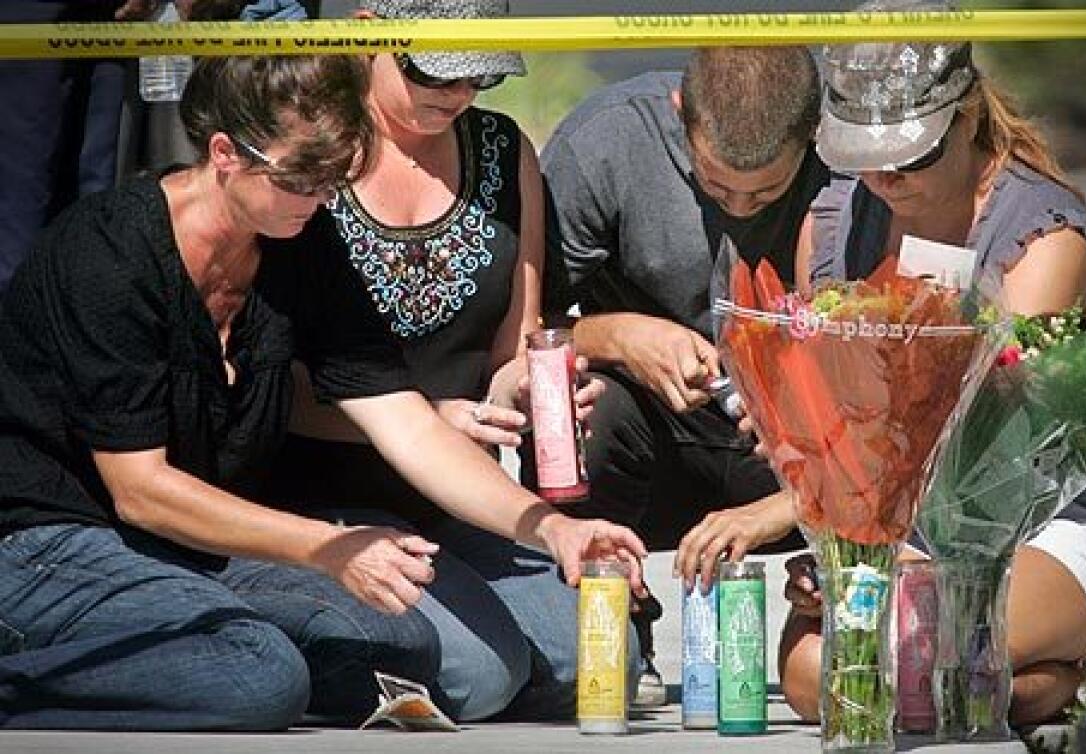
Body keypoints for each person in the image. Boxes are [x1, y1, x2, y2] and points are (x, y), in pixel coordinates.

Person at [0, 53, 646, 730]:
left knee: (406, 642)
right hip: (51, 538)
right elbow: (141, 491)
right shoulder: (112, 251)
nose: (319, 199)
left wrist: (552, 527)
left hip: (192, 548)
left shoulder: (298, 242)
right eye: (300, 178)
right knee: (259, 673)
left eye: (333, 180)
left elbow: (411, 426)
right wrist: (326, 548)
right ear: (224, 153)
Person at [777, 30, 1086, 725]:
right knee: (817, 681)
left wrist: (776, 514)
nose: (886, 181)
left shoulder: (1044, 241)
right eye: (866, 159)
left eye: (911, 155)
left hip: (1067, 513)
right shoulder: (833, 222)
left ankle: (1062, 654)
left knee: (916, 663)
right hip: (914, 518)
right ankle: (1051, 682)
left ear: (966, 120)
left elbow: (980, 434)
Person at [257, 0, 629, 722]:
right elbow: (272, 390)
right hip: (319, 489)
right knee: (483, 676)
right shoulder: (309, 152)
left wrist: (534, 395)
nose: (457, 96)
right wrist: (428, 419)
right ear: (369, 31)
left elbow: (515, 346)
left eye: (480, 76)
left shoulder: (501, 148)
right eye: (436, 71)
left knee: (596, 657)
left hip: (461, 498)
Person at [538, 45, 827, 700]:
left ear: (814, 136)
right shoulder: (607, 142)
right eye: (719, 186)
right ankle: (614, 618)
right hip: (651, 434)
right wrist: (618, 335)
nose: (745, 207)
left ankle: (829, 595)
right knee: (575, 398)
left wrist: (806, 396)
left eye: (769, 190)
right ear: (680, 116)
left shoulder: (851, 166)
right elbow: (522, 330)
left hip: (795, 449)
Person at [0, 1, 161, 294]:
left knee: (98, 190)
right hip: (26, 13)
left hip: (111, 18)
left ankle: (82, 311)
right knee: (20, 205)